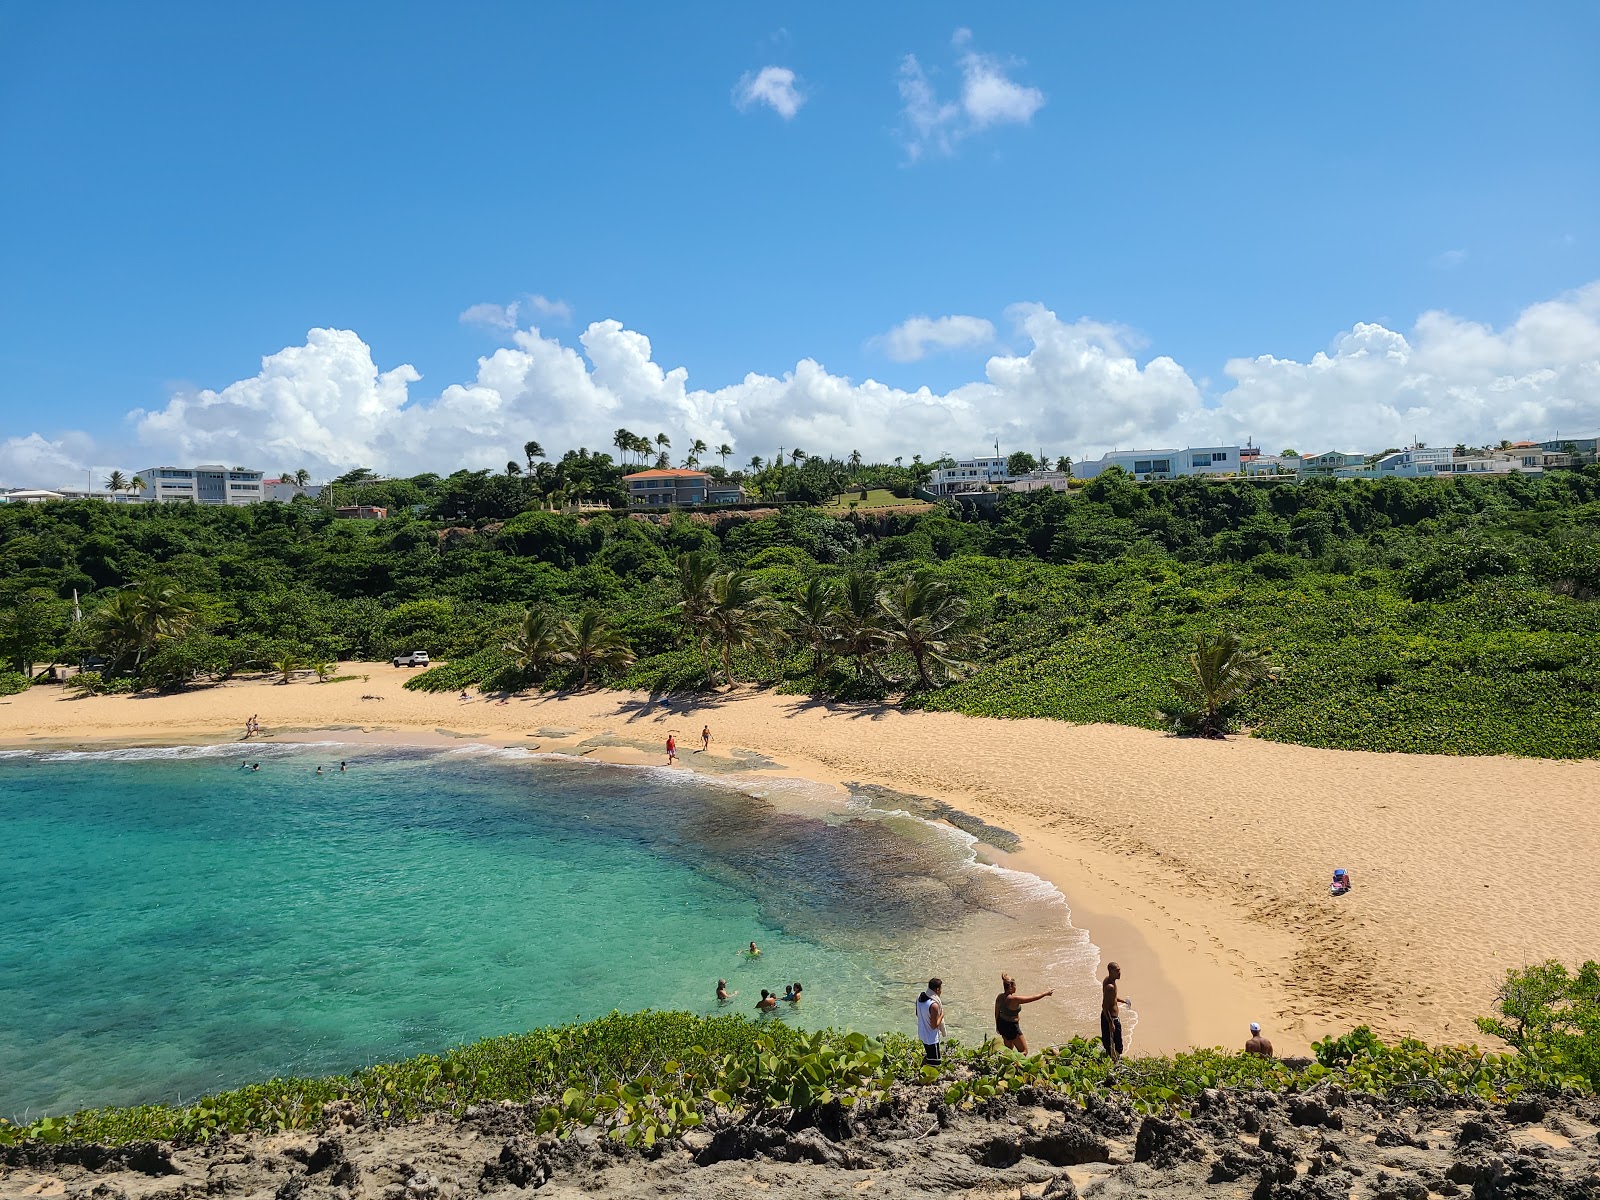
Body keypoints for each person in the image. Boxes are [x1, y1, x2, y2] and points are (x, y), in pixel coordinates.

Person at [994, 973, 1054, 1053]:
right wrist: (1045, 993)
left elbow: (996, 1012)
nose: (1016, 987)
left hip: (1002, 1024)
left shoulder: (1000, 997)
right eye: (1015, 985)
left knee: (1008, 1050)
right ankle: (1016, 1064)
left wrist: (998, 1026)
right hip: (1012, 1027)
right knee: (1024, 1051)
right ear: (1011, 987)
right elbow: (1032, 998)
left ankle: (1006, 1063)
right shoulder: (1014, 999)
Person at [1101, 962, 1130, 1063]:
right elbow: (1104, 1006)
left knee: (1113, 1043)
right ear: (1110, 971)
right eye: (1117, 971)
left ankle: (1114, 1062)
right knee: (1115, 1045)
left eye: (1119, 970)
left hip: (1110, 1018)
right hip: (1110, 1018)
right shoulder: (1110, 987)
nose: (1119, 973)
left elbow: (1112, 998)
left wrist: (1122, 1001)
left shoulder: (1109, 981)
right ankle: (1115, 1064)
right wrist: (1110, 1023)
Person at [916, 978, 946, 1064]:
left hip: (922, 1034)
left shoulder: (919, 997)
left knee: (929, 1057)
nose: (941, 991)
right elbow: (934, 1025)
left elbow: (917, 1014)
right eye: (940, 989)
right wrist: (942, 1015)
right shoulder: (934, 1005)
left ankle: (921, 1072)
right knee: (936, 1062)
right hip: (931, 1038)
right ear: (937, 990)